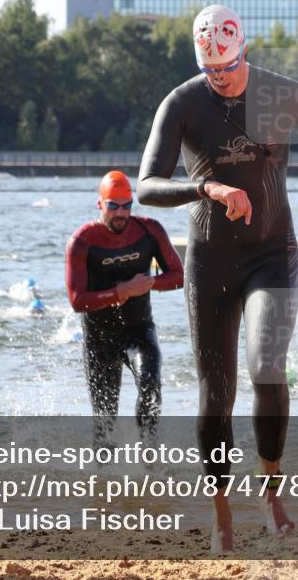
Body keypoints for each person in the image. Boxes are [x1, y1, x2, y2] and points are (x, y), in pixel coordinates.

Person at [137, 4, 298, 554]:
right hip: (210, 258)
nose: (220, 79)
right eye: (211, 71)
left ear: (244, 52)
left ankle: (271, 489)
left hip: (271, 253)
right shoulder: (182, 103)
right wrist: (206, 188)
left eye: (228, 69)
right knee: (216, 394)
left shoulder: (285, 95)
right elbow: (146, 186)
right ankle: (220, 510)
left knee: (267, 368)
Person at [65, 171, 184, 441]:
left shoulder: (149, 231)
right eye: (113, 205)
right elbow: (77, 300)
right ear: (100, 204)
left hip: (139, 331)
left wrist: (150, 283)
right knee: (105, 423)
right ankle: (104, 479)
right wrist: (120, 292)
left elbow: (179, 276)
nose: (121, 213)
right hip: (99, 339)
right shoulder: (82, 241)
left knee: (150, 384)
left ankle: (149, 460)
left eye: (126, 205)